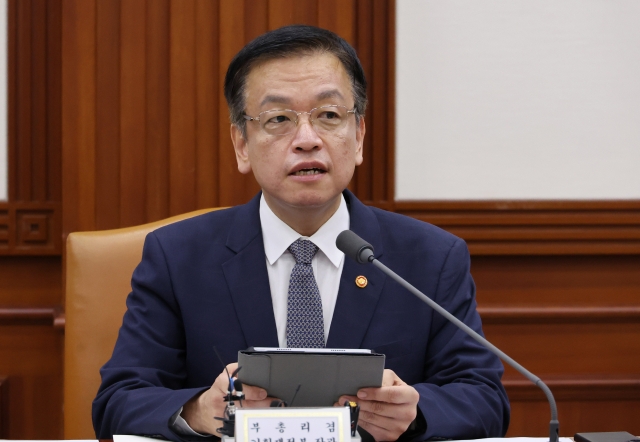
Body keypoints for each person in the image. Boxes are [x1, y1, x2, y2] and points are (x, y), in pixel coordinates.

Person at [93, 25, 509, 441]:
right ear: (242, 143)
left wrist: (415, 413)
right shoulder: (177, 257)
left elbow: (484, 398)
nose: (307, 140)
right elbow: (119, 400)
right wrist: (201, 410)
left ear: (359, 135)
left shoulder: (430, 257)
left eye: (328, 115)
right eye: (278, 119)